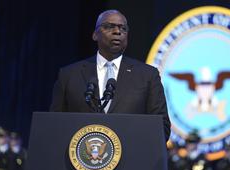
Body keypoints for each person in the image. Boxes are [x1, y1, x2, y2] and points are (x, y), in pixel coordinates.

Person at [49, 9, 170, 140]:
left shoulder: (148, 76)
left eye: (123, 28)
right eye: (109, 26)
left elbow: (161, 128)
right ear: (95, 34)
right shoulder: (69, 75)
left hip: (130, 157)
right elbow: (54, 125)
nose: (117, 31)